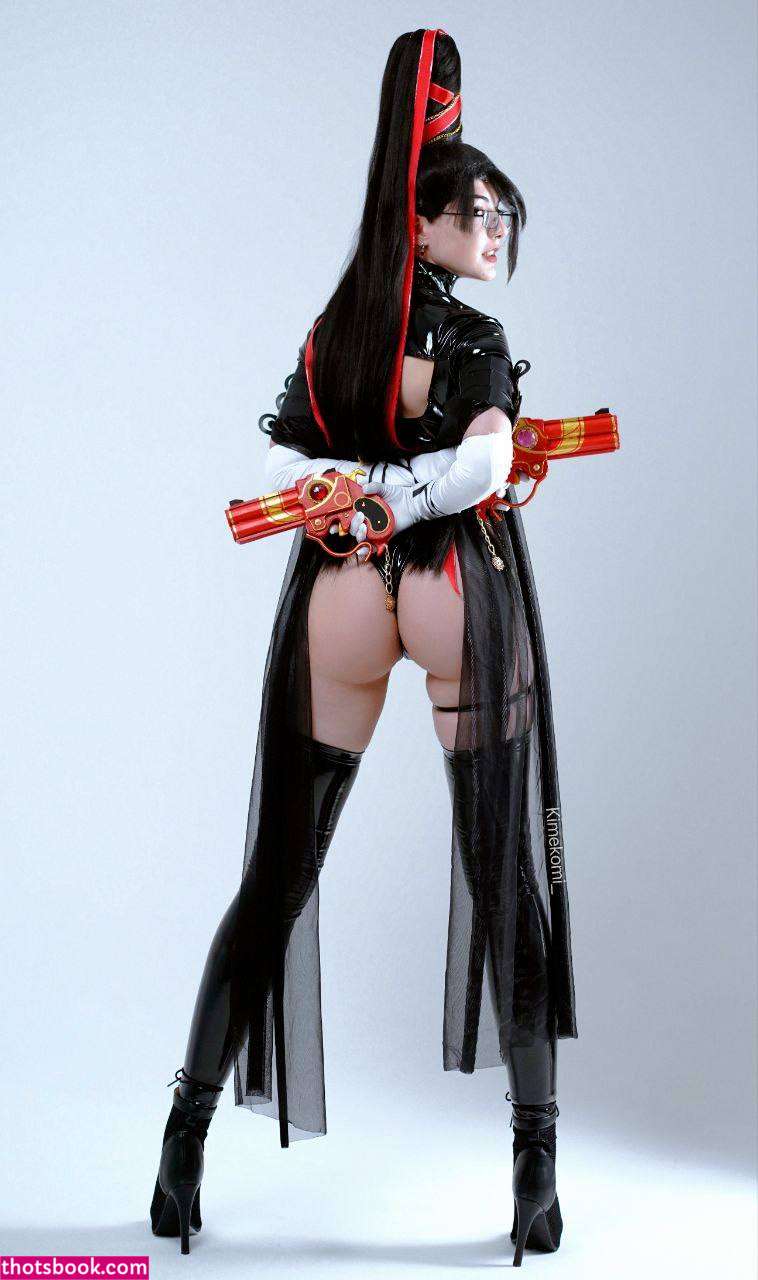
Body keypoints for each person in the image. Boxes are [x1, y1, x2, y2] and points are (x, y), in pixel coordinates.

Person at [149, 28, 578, 1267]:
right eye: (474, 210)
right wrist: (412, 493)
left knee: (276, 873)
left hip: (338, 586)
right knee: (503, 877)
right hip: (451, 580)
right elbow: (484, 465)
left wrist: (355, 491)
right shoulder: (475, 340)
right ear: (425, 221)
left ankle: (180, 1146)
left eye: (498, 212)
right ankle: (535, 1169)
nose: (492, 228)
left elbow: (279, 454)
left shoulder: (333, 329)